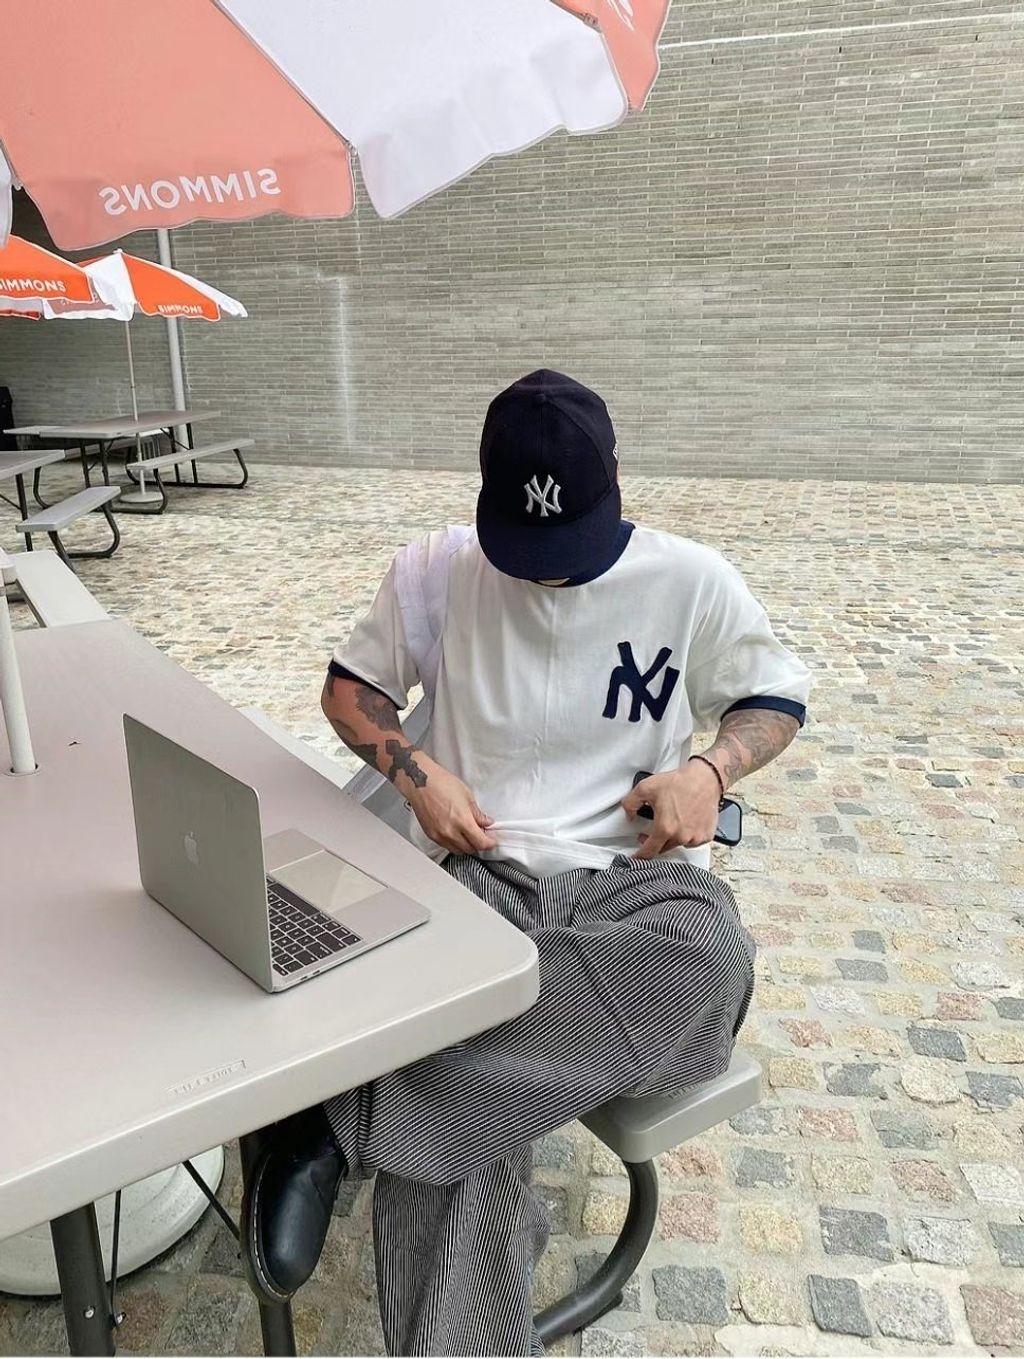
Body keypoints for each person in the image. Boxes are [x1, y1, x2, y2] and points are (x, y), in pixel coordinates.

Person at [242, 370, 811, 1355]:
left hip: (634, 884)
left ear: (616, 486)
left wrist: (710, 770)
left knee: (710, 964)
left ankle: (337, 1110)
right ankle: (426, 1081)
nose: (546, 577)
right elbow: (349, 690)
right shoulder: (435, 570)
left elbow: (774, 699)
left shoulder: (692, 580)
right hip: (480, 874)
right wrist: (417, 772)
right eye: (526, 551)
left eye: (566, 551)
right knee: (471, 1108)